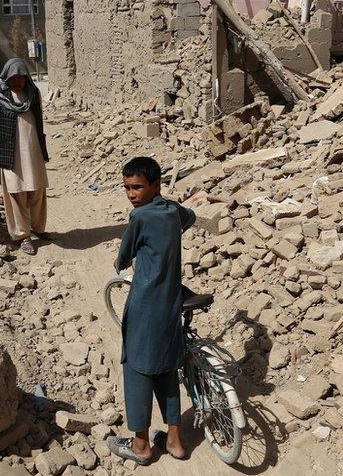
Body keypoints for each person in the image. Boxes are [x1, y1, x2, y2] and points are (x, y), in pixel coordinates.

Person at [107, 156, 195, 465]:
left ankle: (141, 445)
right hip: (170, 306)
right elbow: (191, 217)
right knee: (167, 370)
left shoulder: (140, 217)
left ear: (155, 185)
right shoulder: (171, 210)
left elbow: (123, 256)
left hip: (146, 306)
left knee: (137, 370)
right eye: (127, 188)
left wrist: (122, 263)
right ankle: (174, 441)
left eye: (137, 187)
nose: (131, 194)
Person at [0, 58, 50, 255]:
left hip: (34, 153)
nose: (18, 82)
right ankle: (23, 235)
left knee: (37, 190)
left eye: (21, 78)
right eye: (14, 78)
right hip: (11, 156)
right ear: (7, 77)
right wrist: (1, 145)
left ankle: (38, 228)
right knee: (17, 194)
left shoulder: (33, 94)